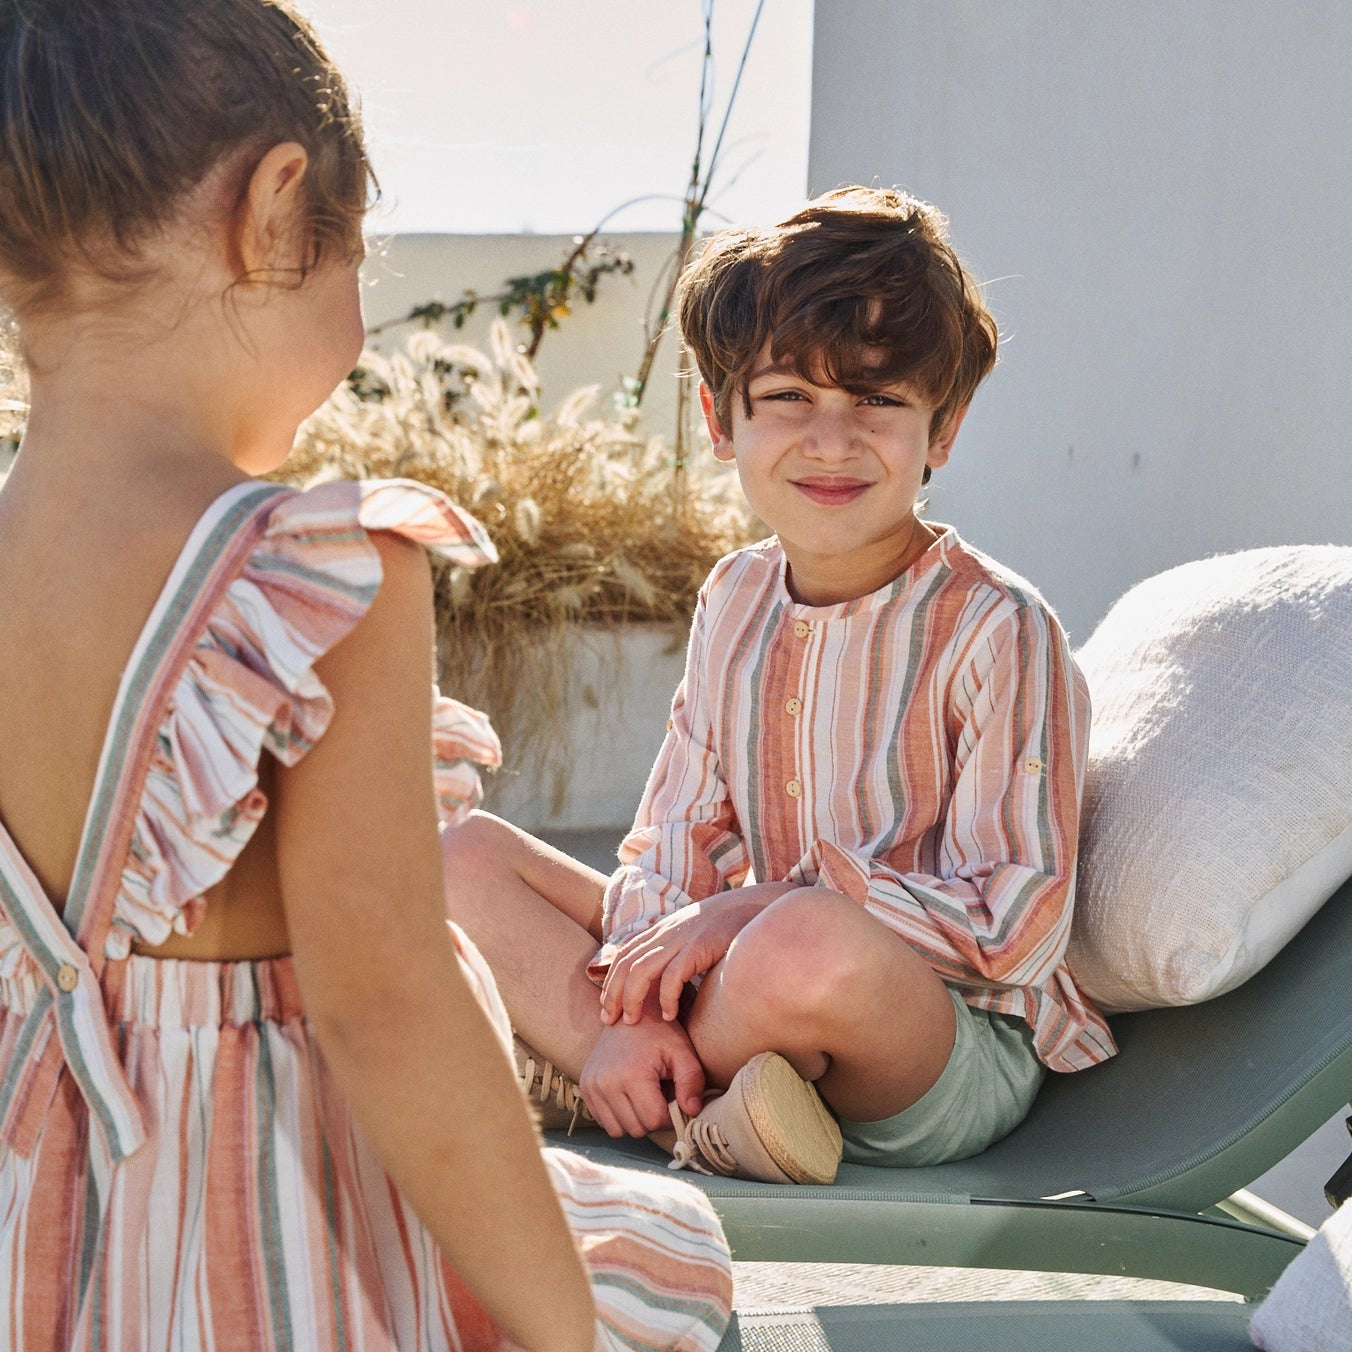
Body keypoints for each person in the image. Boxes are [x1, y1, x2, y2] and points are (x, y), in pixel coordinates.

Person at [0, 2, 731, 1349]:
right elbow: (388, 1003)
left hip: (41, 1230)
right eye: (359, 250)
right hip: (258, 1249)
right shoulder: (309, 576)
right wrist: (562, 1330)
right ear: (277, 210)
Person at [443, 186, 1117, 1186]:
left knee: (800, 942)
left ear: (943, 426)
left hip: (928, 1041)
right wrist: (636, 998)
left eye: (879, 400)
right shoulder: (734, 597)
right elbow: (669, 838)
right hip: (737, 992)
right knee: (460, 857)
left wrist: (750, 908)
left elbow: (1013, 930)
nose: (832, 438)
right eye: (788, 396)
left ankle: (631, 1080)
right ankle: (656, 1074)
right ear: (720, 416)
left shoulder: (994, 627)